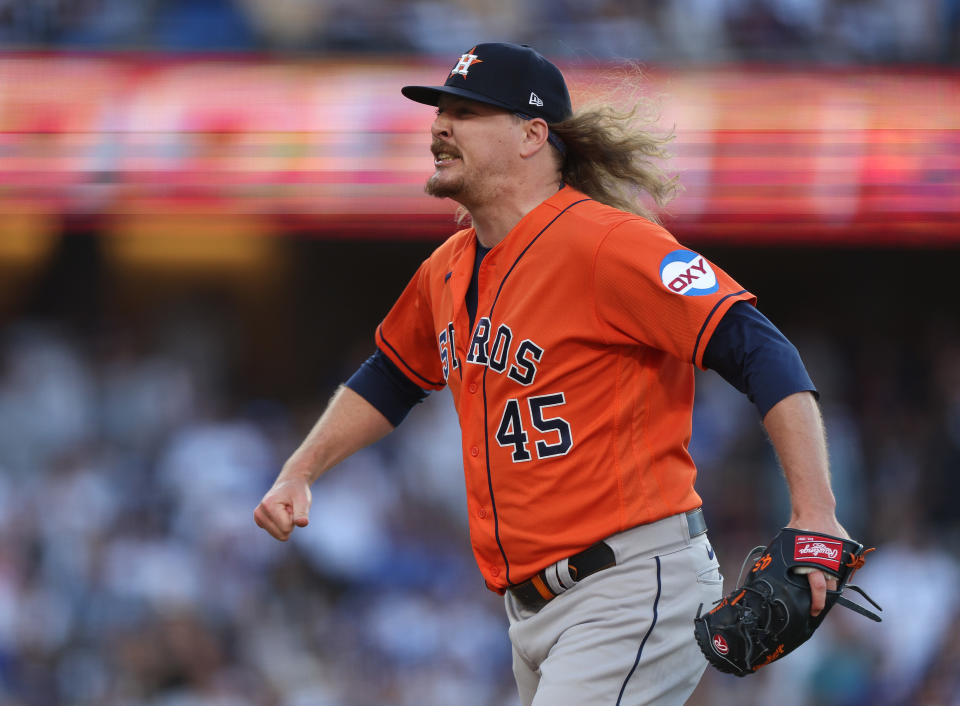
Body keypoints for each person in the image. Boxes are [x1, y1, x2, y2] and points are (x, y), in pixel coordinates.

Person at [254, 42, 848, 705]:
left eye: (468, 111)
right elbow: (391, 375)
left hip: (627, 584)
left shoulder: (606, 244)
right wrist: (300, 470)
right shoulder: (445, 269)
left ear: (533, 134)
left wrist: (815, 510)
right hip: (531, 615)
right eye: (440, 110)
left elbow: (756, 347)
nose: (440, 126)